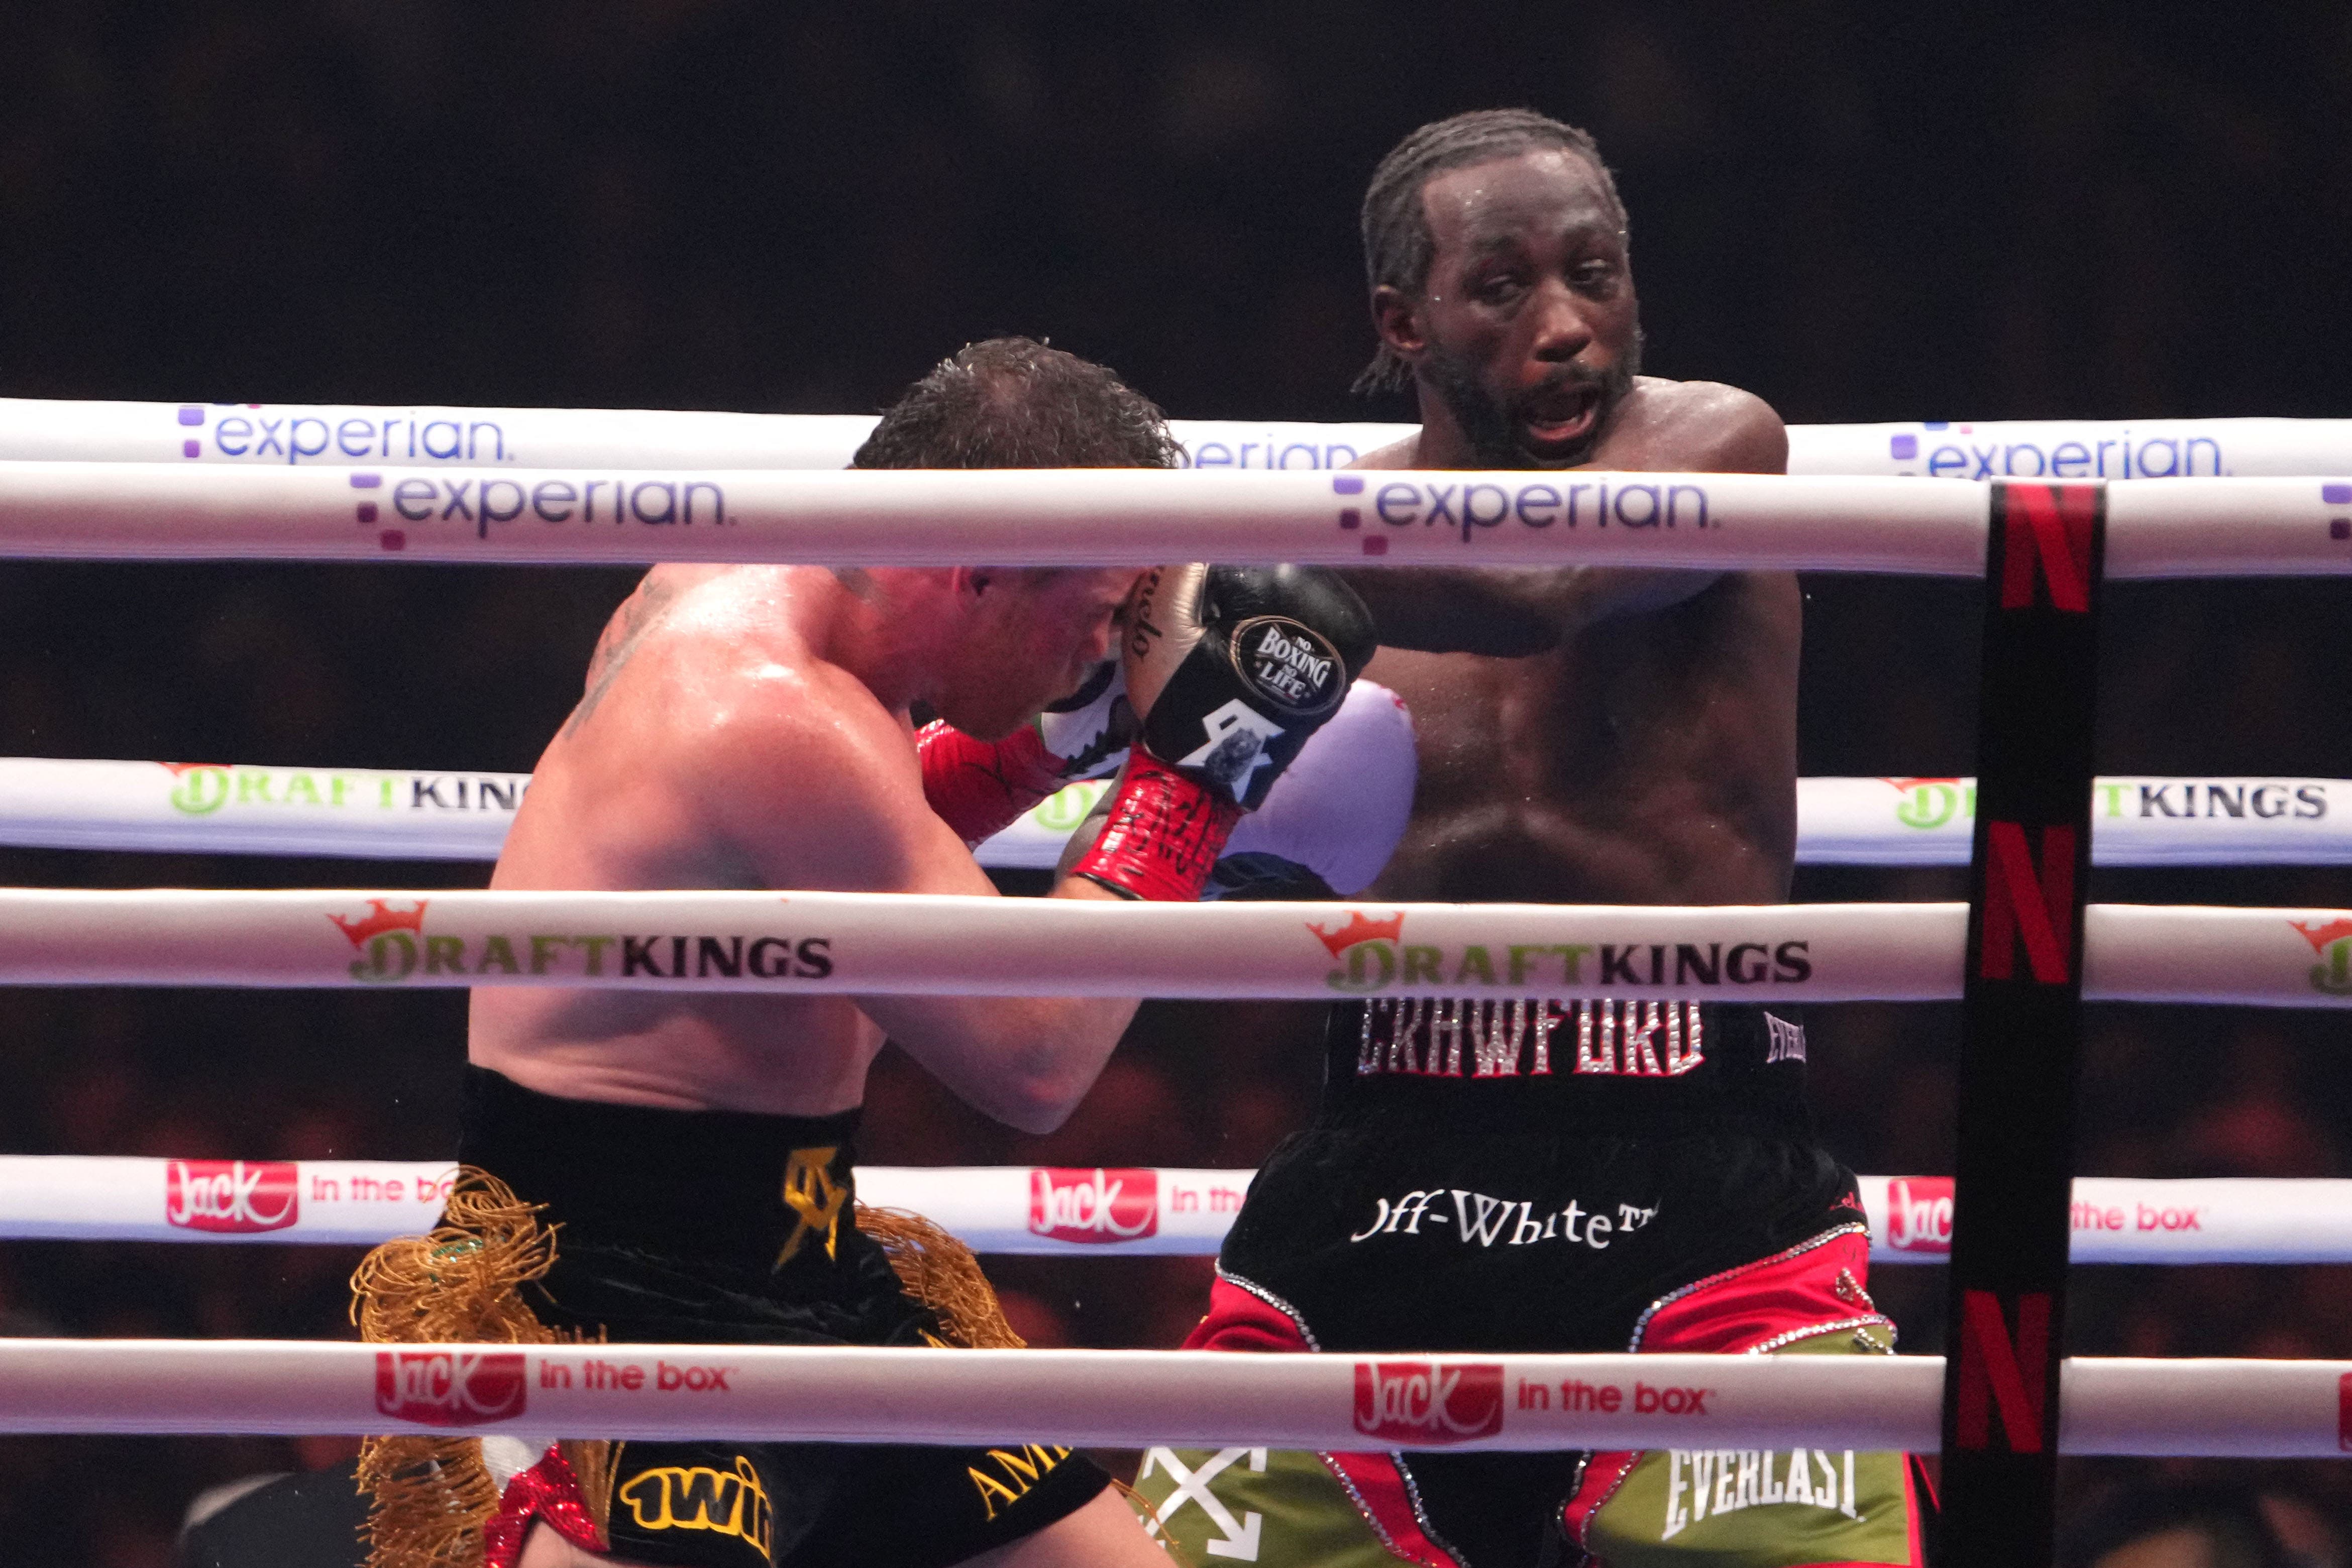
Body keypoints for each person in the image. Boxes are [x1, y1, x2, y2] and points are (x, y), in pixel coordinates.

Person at [350, 337, 1376, 1568]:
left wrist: (1041, 753)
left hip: (813, 1270)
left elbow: (847, 846)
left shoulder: (769, 606)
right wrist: (1193, 777)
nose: (1104, 653)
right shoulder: (766, 706)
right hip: (609, 1296)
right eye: (1100, 610)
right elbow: (1033, 1062)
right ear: (976, 568)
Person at [1129, 111, 1929, 1568]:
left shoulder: (1718, 446)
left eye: (1595, 275)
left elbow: (1545, 585)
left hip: (1691, 1162)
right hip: (1379, 1166)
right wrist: (1150, 648)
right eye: (1502, 288)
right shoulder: (1316, 538)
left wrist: (1247, 574)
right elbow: (1191, 837)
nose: (1565, 327)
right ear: (1407, 321)